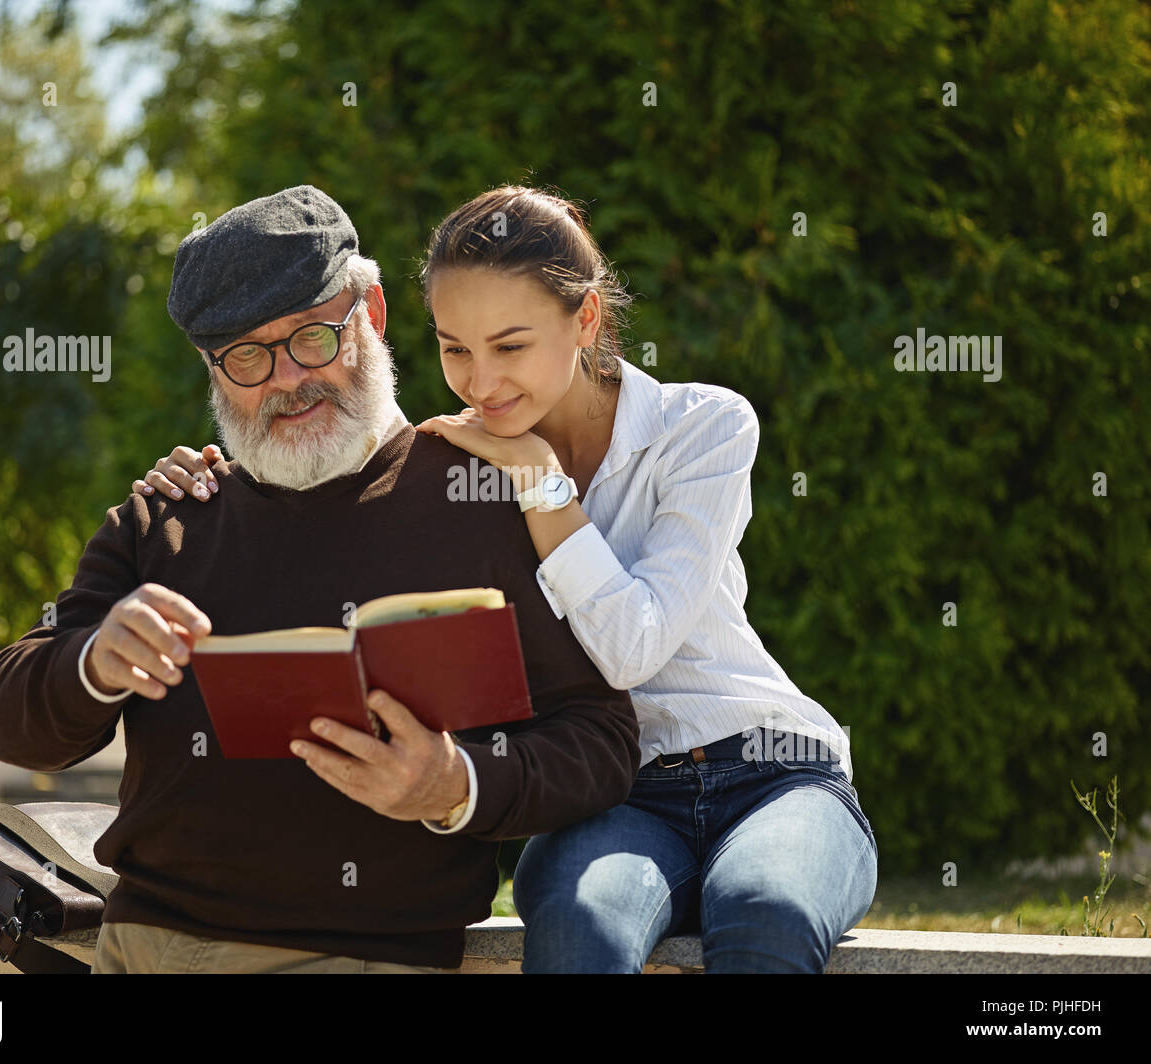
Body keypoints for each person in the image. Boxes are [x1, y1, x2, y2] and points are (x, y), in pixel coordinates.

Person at [136, 185, 878, 974]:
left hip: (772, 771)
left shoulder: (702, 428)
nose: (481, 382)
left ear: (584, 320)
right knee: (577, 928)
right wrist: (197, 471)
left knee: (766, 912)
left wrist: (540, 480)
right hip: (613, 801)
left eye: (511, 345)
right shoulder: (450, 463)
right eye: (456, 348)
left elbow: (636, 649)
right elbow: (317, 474)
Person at [0, 184, 640, 974]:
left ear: (373, 316)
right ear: (211, 369)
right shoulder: (166, 516)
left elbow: (599, 742)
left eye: (314, 339)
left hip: (359, 958)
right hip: (142, 949)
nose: (289, 379)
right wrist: (91, 661)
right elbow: (11, 723)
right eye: (248, 357)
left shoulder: (487, 498)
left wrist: (453, 785)